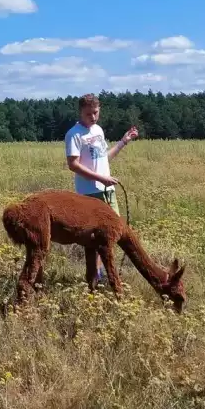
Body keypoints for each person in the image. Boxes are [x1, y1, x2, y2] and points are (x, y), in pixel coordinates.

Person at [65, 93, 138, 279]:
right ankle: (97, 276)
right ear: (80, 112)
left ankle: (103, 273)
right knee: (95, 238)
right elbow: (73, 165)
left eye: (96, 112)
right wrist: (100, 178)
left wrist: (123, 142)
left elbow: (104, 158)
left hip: (107, 191)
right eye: (88, 114)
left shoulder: (98, 130)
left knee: (111, 234)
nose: (93, 117)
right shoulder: (74, 134)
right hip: (89, 193)